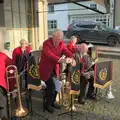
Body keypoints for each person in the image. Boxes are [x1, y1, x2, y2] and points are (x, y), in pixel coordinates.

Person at [39, 29, 75, 113]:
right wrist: (60, 60)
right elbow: (49, 55)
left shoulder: (61, 43)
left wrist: (72, 58)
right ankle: (47, 105)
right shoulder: (46, 43)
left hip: (55, 69)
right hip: (46, 70)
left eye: (61, 38)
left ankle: (53, 102)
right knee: (52, 86)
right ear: (53, 36)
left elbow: (66, 51)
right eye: (58, 38)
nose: (60, 40)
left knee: (58, 85)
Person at [0, 28, 15, 120]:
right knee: (3, 109)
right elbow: (12, 71)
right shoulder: (3, 56)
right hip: (1, 87)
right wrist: (11, 88)